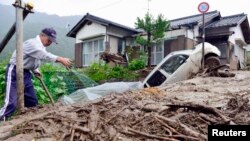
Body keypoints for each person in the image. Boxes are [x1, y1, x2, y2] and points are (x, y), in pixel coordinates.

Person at [0, 27, 72, 120]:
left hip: (26, 73)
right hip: (14, 70)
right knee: (11, 103)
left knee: (32, 101)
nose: (50, 42)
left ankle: (27, 122)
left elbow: (33, 59)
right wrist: (61, 59)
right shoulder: (33, 44)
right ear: (42, 35)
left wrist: (36, 70)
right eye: (49, 40)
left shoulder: (41, 46)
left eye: (52, 41)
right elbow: (43, 55)